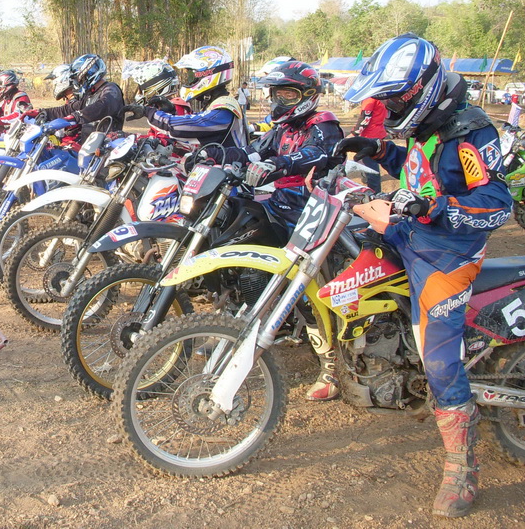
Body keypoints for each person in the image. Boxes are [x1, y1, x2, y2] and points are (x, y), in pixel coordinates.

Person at [336, 33, 513, 518]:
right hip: (408, 232)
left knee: (438, 360)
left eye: (396, 98)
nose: (391, 107)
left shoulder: (472, 133)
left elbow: (496, 204)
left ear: (423, 89)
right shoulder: (427, 123)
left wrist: (435, 207)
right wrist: (375, 150)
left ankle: (462, 469)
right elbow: (418, 170)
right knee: (346, 262)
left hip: (448, 254)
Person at [219, 61, 345, 402]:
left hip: (314, 215)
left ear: (308, 95)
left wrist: (279, 163)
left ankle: (332, 366)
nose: (278, 101)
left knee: (309, 290)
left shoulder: (324, 125)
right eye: (276, 94)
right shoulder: (283, 127)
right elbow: (255, 150)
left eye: (287, 94)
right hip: (280, 206)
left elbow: (316, 153)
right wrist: (223, 154)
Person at [124, 47, 248, 148]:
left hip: (228, 168)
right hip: (219, 167)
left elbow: (189, 126)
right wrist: (171, 111)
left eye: (192, 76)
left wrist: (148, 112)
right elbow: (195, 127)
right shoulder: (218, 104)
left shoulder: (224, 109)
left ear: (208, 74)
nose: (190, 81)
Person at [39, 54, 125, 131]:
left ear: (87, 74)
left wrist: (76, 116)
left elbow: (103, 106)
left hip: (108, 141)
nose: (78, 82)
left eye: (79, 78)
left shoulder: (111, 89)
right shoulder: (90, 94)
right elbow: (70, 109)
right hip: (89, 141)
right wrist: (43, 112)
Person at [347, 93, 388, 193]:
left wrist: (354, 133)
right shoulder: (380, 96)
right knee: (369, 162)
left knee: (371, 167)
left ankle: (375, 193)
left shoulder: (370, 98)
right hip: (379, 132)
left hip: (369, 135)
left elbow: (365, 117)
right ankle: (367, 179)